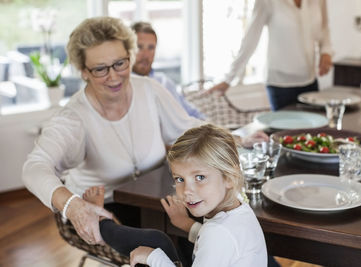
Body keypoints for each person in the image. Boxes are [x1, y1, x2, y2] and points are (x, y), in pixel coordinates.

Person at [22, 16, 268, 247]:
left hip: (156, 196)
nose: (114, 76)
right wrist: (72, 206)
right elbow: (34, 167)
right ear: (84, 72)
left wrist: (238, 138)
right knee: (171, 242)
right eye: (100, 69)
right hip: (105, 207)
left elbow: (187, 127)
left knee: (228, 223)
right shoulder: (73, 116)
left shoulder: (149, 89)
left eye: (120, 63)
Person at [87, 124, 268, 266]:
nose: (187, 190)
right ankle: (102, 224)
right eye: (180, 179)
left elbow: (218, 238)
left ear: (229, 177)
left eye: (200, 177)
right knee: (157, 240)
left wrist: (152, 257)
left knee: (155, 244)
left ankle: (99, 222)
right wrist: (186, 224)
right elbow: (222, 242)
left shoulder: (218, 234)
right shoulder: (238, 208)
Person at [208, 0, 333, 111]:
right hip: (280, 85)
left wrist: (326, 52)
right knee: (286, 135)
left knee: (314, 132)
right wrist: (229, 78)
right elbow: (250, 40)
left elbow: (324, 28)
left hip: (310, 81)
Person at [131, 21, 205, 119]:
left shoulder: (164, 82)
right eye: (139, 47)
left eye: (151, 48)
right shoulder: (122, 86)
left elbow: (191, 113)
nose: (146, 55)